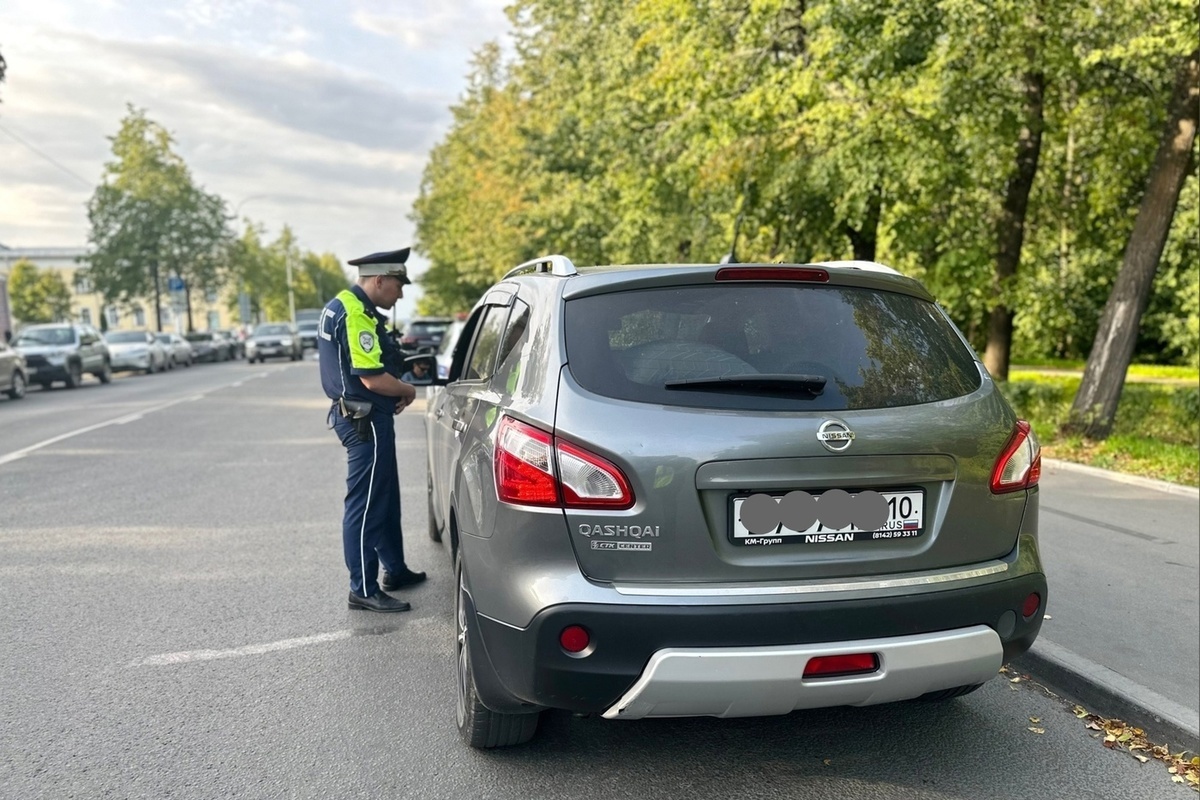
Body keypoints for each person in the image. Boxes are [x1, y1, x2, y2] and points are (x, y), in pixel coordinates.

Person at [318, 247, 427, 613]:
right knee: (366, 505)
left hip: (365, 417)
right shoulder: (356, 313)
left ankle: (394, 569)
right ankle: (363, 588)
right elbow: (372, 379)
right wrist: (408, 389)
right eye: (398, 285)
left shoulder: (344, 306)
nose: (400, 294)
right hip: (365, 420)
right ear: (379, 280)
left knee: (384, 497)